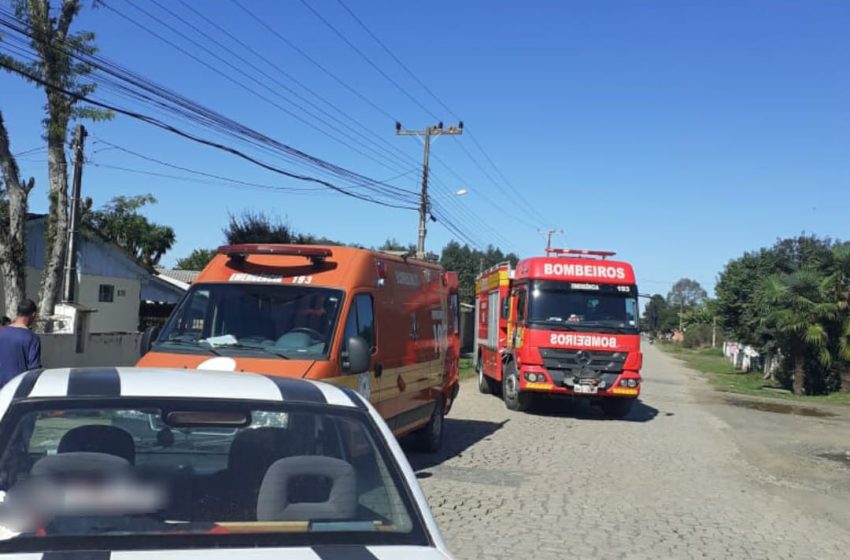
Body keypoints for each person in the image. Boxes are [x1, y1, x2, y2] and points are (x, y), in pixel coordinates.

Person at [0, 299, 42, 389]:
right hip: (18, 389)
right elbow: (34, 370)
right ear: (33, 314)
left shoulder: (1, 332)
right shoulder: (32, 338)